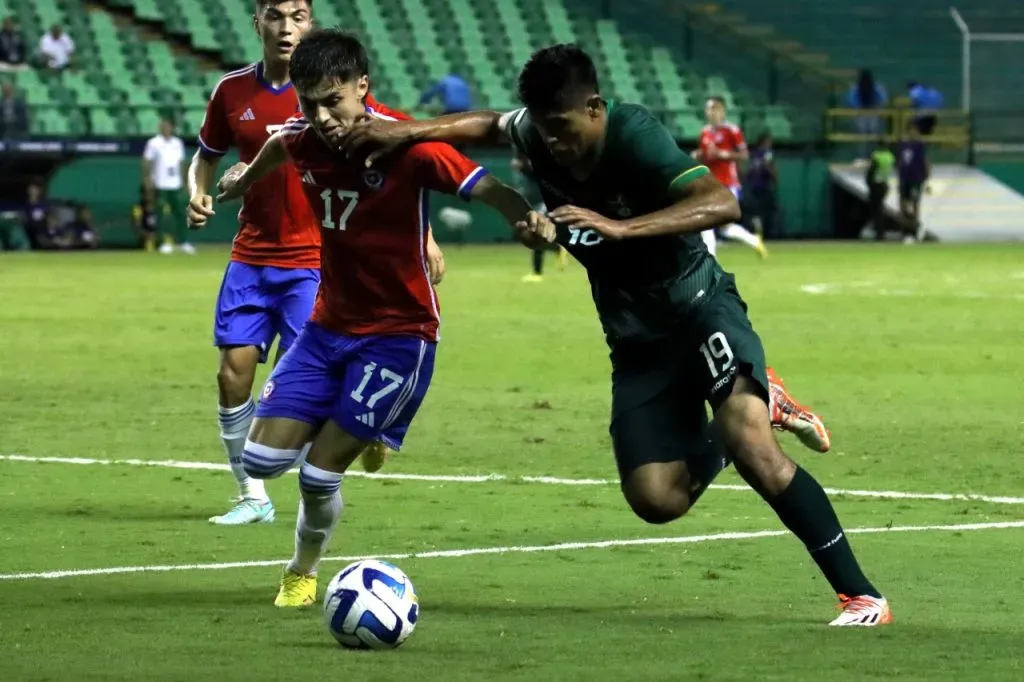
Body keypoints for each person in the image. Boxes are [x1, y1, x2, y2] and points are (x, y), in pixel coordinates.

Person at [340, 44, 892, 627]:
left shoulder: (633, 133)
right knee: (657, 498)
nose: (551, 141)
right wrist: (405, 133)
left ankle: (861, 596)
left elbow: (722, 201)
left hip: (698, 306)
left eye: (561, 128)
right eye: (543, 130)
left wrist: (621, 228)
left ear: (596, 107)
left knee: (753, 443)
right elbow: (490, 124)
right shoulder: (537, 130)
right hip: (634, 338)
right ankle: (758, 402)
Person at [214, 29, 550, 607]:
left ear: (361, 87)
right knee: (259, 460)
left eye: (333, 101)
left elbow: (484, 185)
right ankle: (361, 424)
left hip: (401, 333)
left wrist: (528, 219)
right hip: (327, 328)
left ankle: (301, 571)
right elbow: (275, 149)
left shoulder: (407, 144)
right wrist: (238, 184)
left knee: (318, 476)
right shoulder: (301, 139)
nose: (322, 117)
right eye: (308, 103)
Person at [187, 0, 445, 526]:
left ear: (312, 22)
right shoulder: (232, 92)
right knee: (231, 374)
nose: (287, 28)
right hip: (252, 253)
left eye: (298, 15)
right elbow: (207, 155)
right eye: (275, 16)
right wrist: (198, 190)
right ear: (256, 22)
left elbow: (399, 158)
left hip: (317, 260)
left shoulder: (337, 91)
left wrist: (428, 234)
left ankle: (359, 436)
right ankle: (252, 495)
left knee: (312, 382)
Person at [694, 97, 767, 258]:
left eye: (713, 108)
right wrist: (698, 155)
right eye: (708, 109)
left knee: (719, 225)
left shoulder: (732, 130)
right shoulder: (704, 132)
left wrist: (724, 154)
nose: (710, 113)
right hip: (710, 183)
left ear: (721, 110)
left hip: (728, 183)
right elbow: (704, 155)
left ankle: (752, 241)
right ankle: (752, 242)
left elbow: (744, 155)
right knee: (710, 223)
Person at [513, 150, 566, 282]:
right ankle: (557, 248)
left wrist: (522, 165)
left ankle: (537, 272)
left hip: (544, 202)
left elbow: (533, 171)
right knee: (538, 234)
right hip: (535, 202)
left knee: (536, 232)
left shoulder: (542, 167)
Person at [142, 118, 193, 254]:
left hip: (175, 184)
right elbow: (147, 162)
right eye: (163, 126)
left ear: (172, 127)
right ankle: (163, 242)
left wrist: (185, 181)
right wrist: (148, 180)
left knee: (180, 214)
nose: (165, 128)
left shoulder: (177, 143)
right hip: (160, 184)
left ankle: (183, 242)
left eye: (168, 126)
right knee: (161, 214)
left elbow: (181, 163)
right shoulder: (153, 143)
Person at [743, 133, 778, 239]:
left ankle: (757, 232)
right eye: (768, 141)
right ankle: (766, 235)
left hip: (753, 187)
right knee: (767, 212)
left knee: (756, 212)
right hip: (764, 187)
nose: (770, 144)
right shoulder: (767, 153)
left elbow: (747, 172)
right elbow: (768, 166)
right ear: (764, 142)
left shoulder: (753, 154)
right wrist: (775, 177)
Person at [897, 123, 929, 239]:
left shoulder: (919, 145)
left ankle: (914, 229)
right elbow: (900, 161)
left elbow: (924, 160)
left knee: (915, 203)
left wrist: (926, 174)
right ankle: (904, 229)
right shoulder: (902, 145)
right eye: (911, 131)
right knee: (902, 204)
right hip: (904, 178)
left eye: (915, 131)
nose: (913, 133)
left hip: (916, 178)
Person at [865, 140, 895, 240]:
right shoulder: (890, 156)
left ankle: (879, 232)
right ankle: (880, 231)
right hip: (885, 183)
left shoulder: (876, 156)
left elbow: (871, 171)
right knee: (880, 208)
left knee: (876, 209)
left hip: (876, 184)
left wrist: (868, 184)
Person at [131, 185, 159, 251]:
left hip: (160, 238)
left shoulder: (161, 206)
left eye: (151, 193)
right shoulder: (138, 208)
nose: (149, 196)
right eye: (146, 193)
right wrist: (147, 235)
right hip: (146, 238)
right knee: (149, 245)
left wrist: (159, 235)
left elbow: (168, 224)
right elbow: (136, 225)